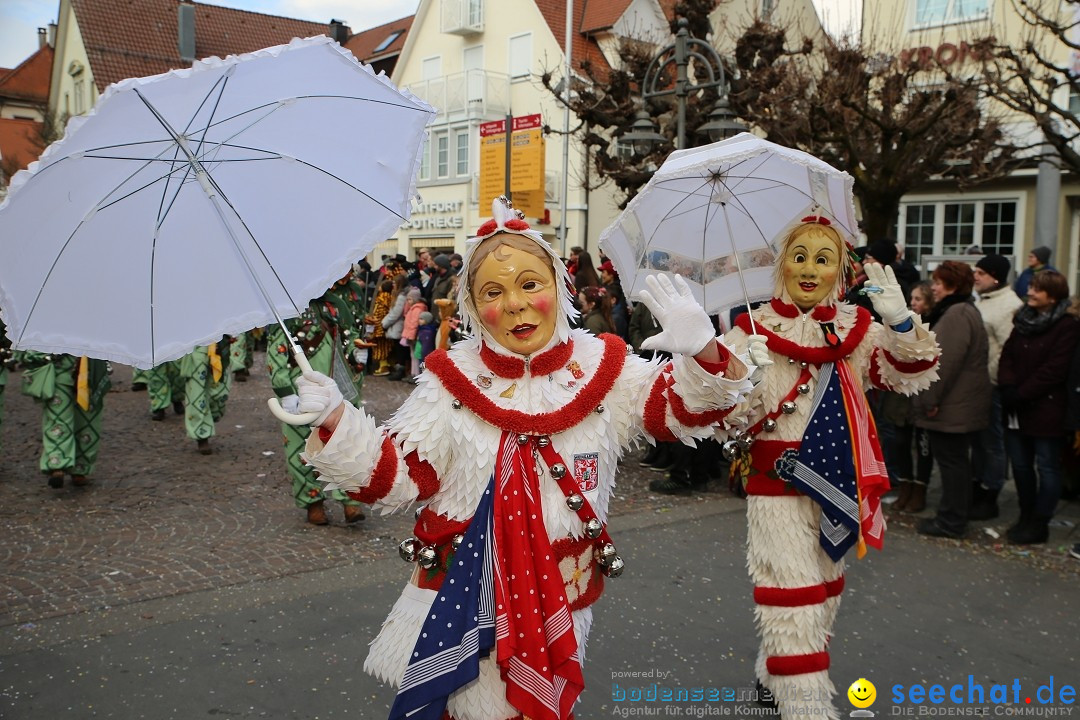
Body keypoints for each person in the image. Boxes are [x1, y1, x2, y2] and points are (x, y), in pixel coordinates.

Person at [285, 197, 760, 720]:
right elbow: (402, 476)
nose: (514, 303)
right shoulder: (450, 378)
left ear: (559, 287)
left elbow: (676, 411)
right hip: (466, 592)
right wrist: (335, 418)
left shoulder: (603, 364)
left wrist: (703, 351)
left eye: (530, 283)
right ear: (471, 306)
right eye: (493, 291)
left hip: (563, 594)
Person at [721, 216, 941, 719]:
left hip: (838, 484)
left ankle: (773, 673)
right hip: (775, 487)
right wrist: (738, 375)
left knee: (823, 594)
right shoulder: (751, 329)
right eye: (799, 256)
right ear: (781, 265)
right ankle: (808, 709)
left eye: (823, 259)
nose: (809, 269)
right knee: (792, 595)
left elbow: (909, 374)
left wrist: (901, 322)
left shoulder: (855, 329)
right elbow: (722, 419)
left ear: (839, 270)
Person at [267, 295, 366, 526]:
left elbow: (348, 339)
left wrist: (356, 353)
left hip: (336, 388)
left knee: (346, 446)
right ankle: (313, 502)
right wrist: (284, 391)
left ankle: (350, 500)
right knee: (300, 451)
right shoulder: (284, 311)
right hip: (301, 391)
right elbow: (276, 352)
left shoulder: (337, 306)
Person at [998, 270, 1080, 544]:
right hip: (1016, 409)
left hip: (1047, 409)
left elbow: (1055, 369)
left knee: (1047, 467)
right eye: (1031, 286)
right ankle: (1025, 514)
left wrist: (1021, 393)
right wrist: (1008, 387)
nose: (1030, 291)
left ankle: (1040, 521)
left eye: (1037, 289)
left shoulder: (1067, 326)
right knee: (1021, 466)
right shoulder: (1023, 319)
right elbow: (1007, 355)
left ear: (1054, 295)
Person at [912, 261, 991, 539]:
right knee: (955, 462)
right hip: (959, 403)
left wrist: (929, 400)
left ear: (953, 286)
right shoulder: (963, 310)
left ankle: (952, 520)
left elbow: (943, 365)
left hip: (952, 406)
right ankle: (953, 516)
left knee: (953, 464)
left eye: (938, 282)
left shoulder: (956, 314)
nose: (933, 287)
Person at [970, 254, 1023, 520]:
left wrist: (993, 378)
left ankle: (991, 491)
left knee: (993, 443)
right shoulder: (984, 301)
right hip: (979, 384)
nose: (975, 276)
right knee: (979, 441)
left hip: (993, 385)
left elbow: (1008, 350)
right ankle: (979, 484)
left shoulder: (1009, 306)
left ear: (995, 277)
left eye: (980, 272)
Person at [21, 352, 111, 488]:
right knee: (59, 419)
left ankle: (79, 468)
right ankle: (58, 465)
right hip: (59, 371)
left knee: (87, 421)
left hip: (90, 371)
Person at [888, 282, 936, 513]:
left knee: (923, 445)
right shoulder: (902, 323)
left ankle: (920, 489)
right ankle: (905, 485)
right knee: (900, 443)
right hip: (901, 395)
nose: (913, 303)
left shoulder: (932, 325)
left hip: (923, 394)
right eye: (912, 298)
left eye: (919, 299)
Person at [179, 340, 231, 455]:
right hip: (194, 348)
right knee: (196, 395)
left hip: (219, 345)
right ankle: (202, 436)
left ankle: (211, 416)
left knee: (220, 393)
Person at [382, 275, 411, 381]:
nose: (393, 284)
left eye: (395, 283)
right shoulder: (400, 295)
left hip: (398, 326)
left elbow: (395, 313)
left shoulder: (401, 297)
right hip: (397, 325)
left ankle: (400, 370)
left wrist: (384, 323)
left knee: (400, 349)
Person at [366, 279, 395, 376]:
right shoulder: (391, 298)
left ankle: (383, 367)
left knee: (380, 349)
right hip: (387, 327)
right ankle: (387, 365)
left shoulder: (381, 299)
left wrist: (375, 328)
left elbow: (378, 314)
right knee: (386, 348)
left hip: (379, 328)